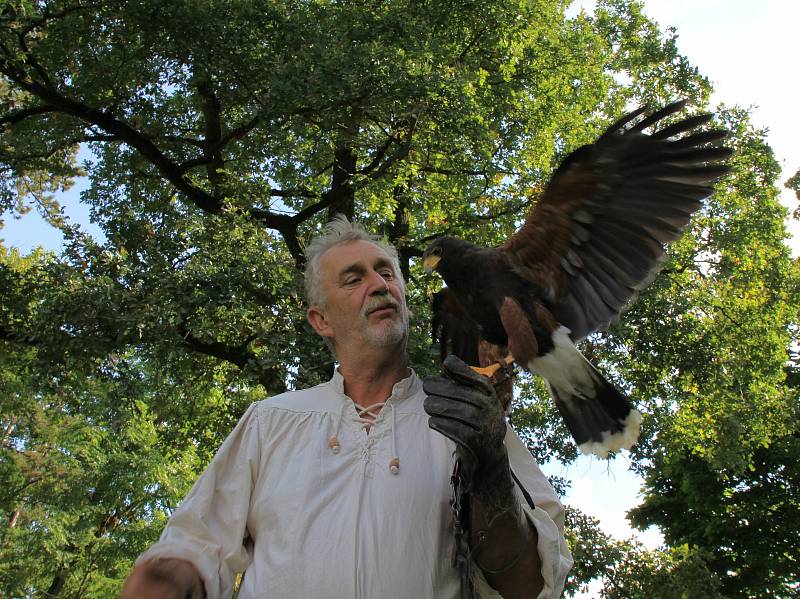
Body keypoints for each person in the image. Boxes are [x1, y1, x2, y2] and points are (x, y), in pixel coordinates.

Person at [121, 217, 572, 599]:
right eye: (354, 279)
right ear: (320, 321)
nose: (378, 284)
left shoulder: (466, 418)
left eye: (386, 274)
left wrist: (491, 471)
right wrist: (169, 577)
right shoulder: (273, 421)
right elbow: (197, 544)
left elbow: (534, 585)